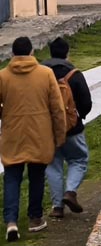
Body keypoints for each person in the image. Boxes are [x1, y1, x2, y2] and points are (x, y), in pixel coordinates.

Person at [0, 36, 66, 240]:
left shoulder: (3, 76)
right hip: (40, 133)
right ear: (32, 53)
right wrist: (59, 134)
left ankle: (11, 221)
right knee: (37, 175)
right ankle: (35, 218)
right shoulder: (46, 74)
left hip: (13, 133)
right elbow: (57, 108)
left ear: (13, 54)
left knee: (12, 177)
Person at [42, 37, 92, 220]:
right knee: (79, 159)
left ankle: (57, 207)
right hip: (71, 128)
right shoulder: (74, 74)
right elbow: (86, 102)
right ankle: (70, 192)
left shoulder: (40, 74)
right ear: (67, 52)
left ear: (50, 52)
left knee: (53, 165)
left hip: (47, 128)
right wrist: (79, 116)